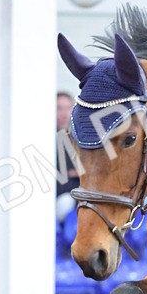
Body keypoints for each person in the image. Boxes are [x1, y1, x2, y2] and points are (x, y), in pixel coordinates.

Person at [56, 90, 80, 222]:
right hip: (60, 196)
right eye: (59, 108)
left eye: (67, 108)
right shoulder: (45, 139)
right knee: (64, 203)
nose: (64, 114)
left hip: (79, 194)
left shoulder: (81, 138)